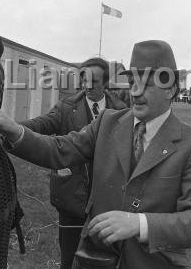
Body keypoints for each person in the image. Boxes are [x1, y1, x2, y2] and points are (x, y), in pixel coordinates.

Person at [0, 40, 191, 269]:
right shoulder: (108, 123)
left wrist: (139, 224)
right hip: (95, 259)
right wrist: (15, 131)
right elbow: (59, 149)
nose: (135, 92)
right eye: (132, 82)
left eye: (146, 83)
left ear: (171, 89)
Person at [19, 57, 128, 269]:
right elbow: (41, 124)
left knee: (104, 258)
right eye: (84, 79)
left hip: (107, 201)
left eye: (94, 81)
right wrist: (12, 128)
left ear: (105, 83)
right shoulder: (66, 107)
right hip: (71, 198)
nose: (88, 85)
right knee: (69, 258)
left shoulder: (121, 110)